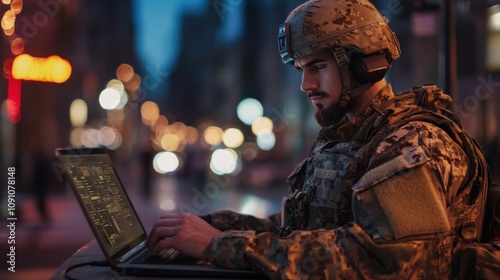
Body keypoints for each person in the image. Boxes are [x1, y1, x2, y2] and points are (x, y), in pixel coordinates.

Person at [147, 0, 491, 279]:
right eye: (301, 69)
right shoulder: (349, 137)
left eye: (318, 67)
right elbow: (306, 227)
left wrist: (220, 247)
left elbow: (383, 259)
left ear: (363, 64)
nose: (305, 85)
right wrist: (215, 227)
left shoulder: (413, 143)